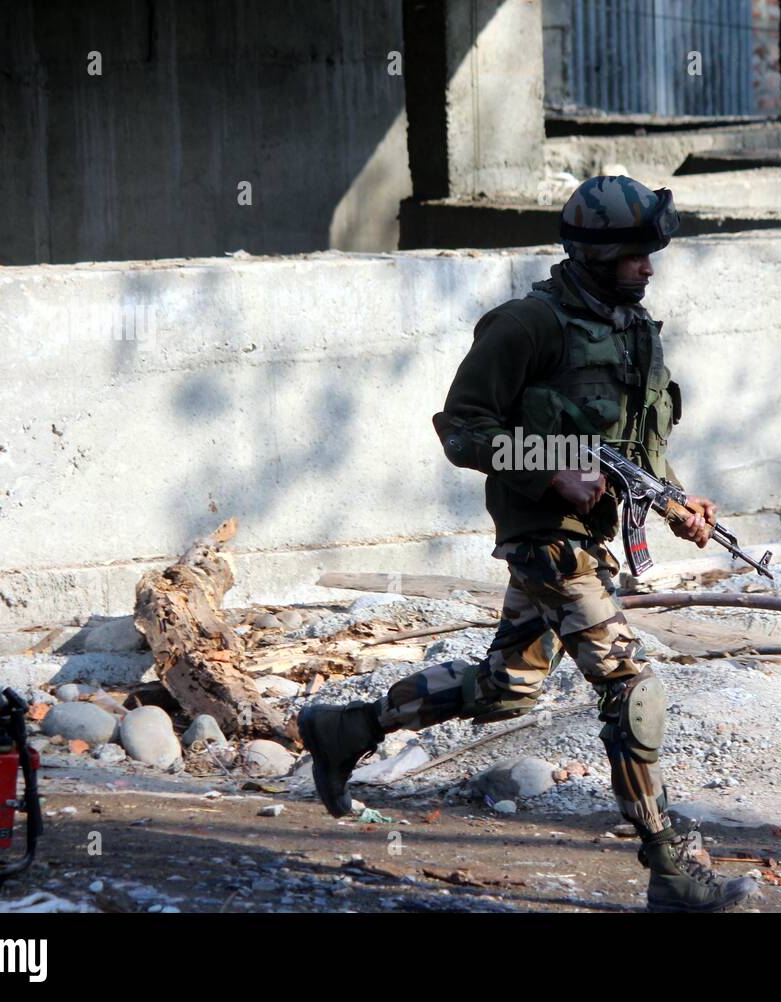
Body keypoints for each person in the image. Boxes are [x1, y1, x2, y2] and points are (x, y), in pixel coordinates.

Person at [299, 176, 756, 913]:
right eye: (636, 256)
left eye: (651, 255)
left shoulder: (633, 328)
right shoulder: (526, 325)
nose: (649, 267)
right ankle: (673, 869)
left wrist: (675, 501)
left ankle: (347, 727)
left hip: (590, 538)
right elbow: (461, 430)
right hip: (547, 542)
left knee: (505, 690)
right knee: (633, 689)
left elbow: (632, 447)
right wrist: (547, 473)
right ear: (595, 253)